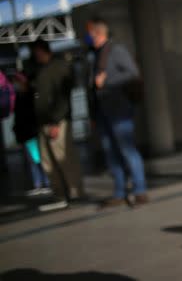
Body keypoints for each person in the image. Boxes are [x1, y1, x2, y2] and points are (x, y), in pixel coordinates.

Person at [86, 17, 149, 208]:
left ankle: (140, 191)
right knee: (110, 153)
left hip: (119, 109)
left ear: (99, 34)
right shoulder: (94, 55)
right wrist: (92, 114)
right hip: (102, 112)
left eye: (90, 35)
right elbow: (92, 86)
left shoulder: (116, 50)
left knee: (127, 150)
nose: (89, 39)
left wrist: (107, 81)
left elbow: (132, 73)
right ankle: (120, 192)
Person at [30, 40, 84, 210]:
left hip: (57, 121)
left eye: (36, 52)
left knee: (64, 158)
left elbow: (63, 97)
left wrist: (56, 121)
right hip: (43, 121)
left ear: (43, 51)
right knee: (48, 161)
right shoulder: (39, 70)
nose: (35, 56)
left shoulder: (58, 67)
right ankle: (60, 193)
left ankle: (74, 191)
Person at [11, 71, 52, 196]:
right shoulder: (20, 96)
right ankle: (39, 183)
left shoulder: (30, 96)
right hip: (26, 133)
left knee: (37, 159)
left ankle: (45, 182)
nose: (15, 84)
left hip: (31, 132)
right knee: (33, 159)